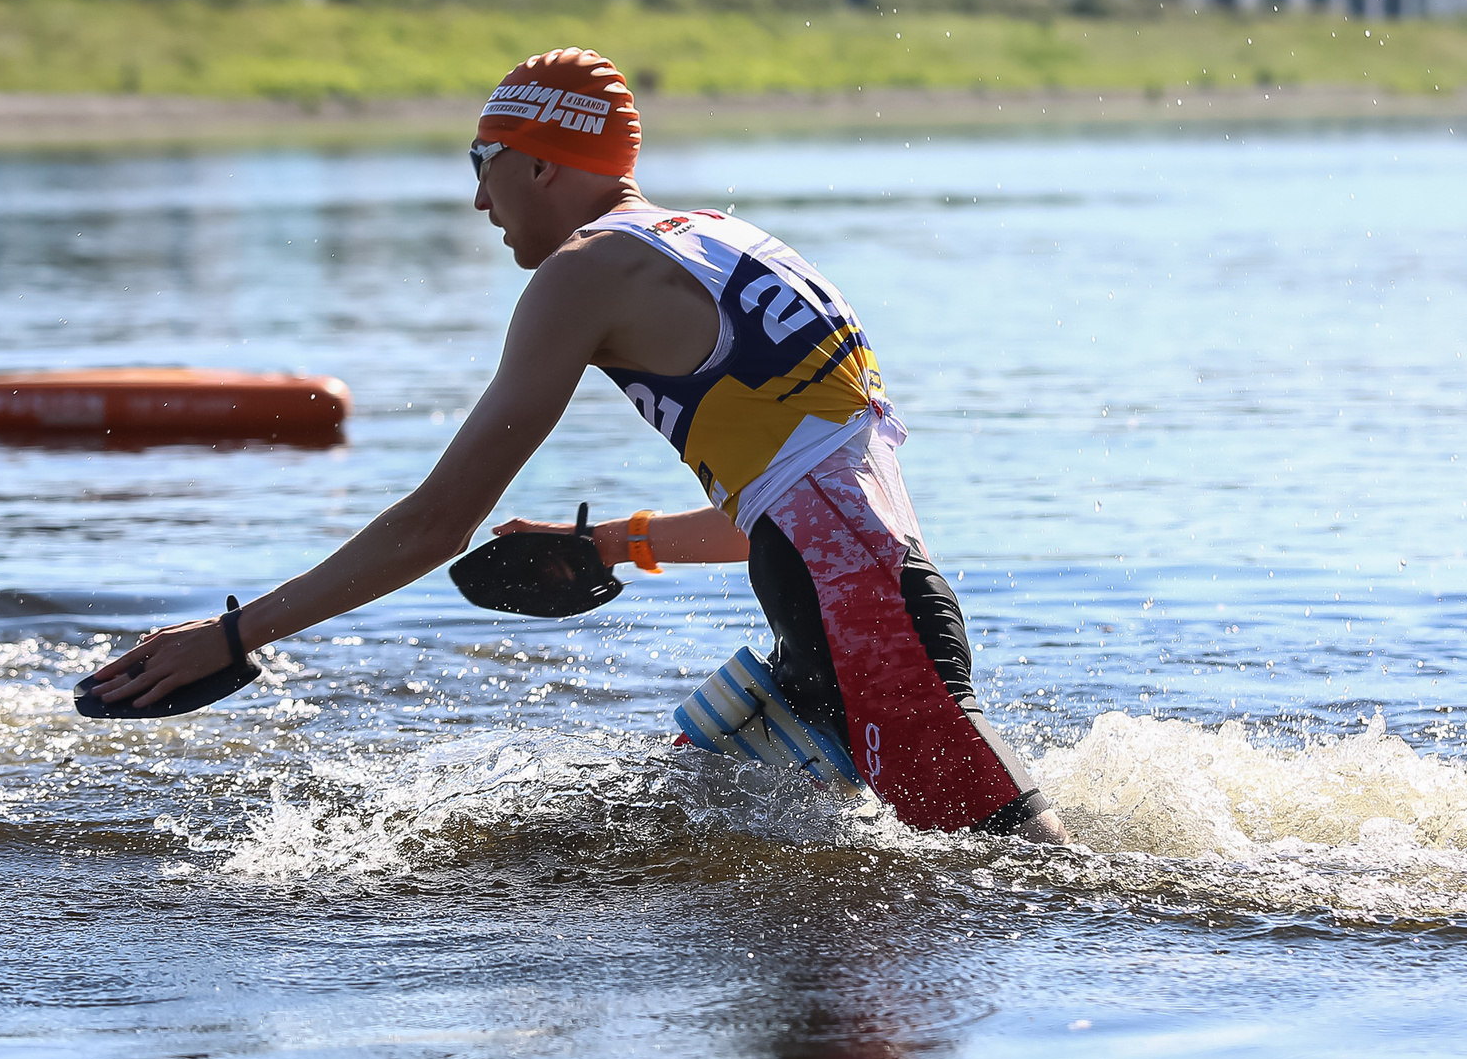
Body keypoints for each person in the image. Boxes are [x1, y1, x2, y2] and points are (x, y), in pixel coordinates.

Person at [84, 47, 1066, 844]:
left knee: (1038, 879)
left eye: (481, 162)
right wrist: (612, 545)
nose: (479, 200)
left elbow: (438, 522)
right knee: (647, 844)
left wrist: (234, 636)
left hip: (859, 622)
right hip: (861, 598)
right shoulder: (722, 242)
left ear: (540, 161)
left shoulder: (585, 270)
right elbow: (788, 507)